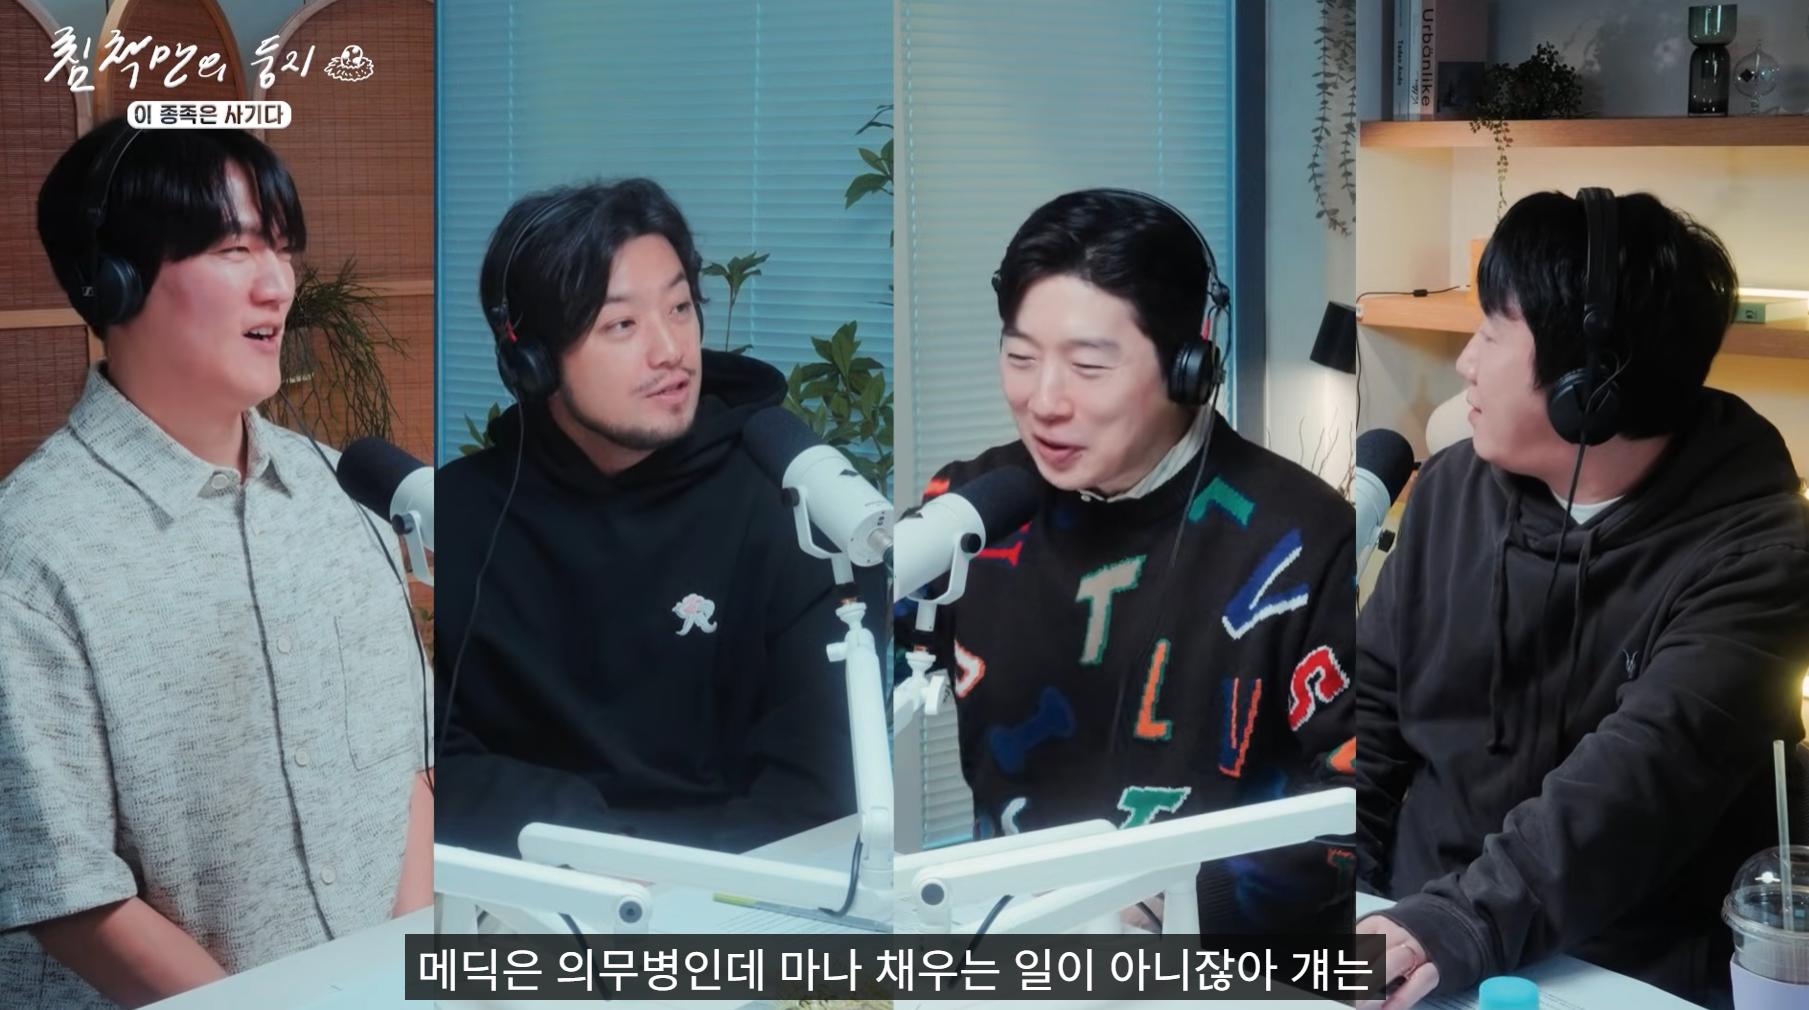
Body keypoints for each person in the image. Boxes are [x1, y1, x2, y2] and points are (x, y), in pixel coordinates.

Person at [0, 118, 432, 1009]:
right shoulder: (32, 555)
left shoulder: (341, 491)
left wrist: (401, 974)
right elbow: (69, 894)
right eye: (235, 250)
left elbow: (408, 767)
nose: (278, 285)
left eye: (282, 249)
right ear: (112, 279)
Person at [1355, 189, 1809, 1010]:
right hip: (1414, 933)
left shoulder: (1760, 558)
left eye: (1491, 333)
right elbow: (1369, 720)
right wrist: (1306, 883)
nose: (1465, 363)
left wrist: (1450, 925)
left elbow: (1637, 786)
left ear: (1587, 385)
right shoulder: (1449, 490)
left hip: (1624, 969)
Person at [916, 189, 1356, 932]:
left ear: (1189, 362)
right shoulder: (966, 511)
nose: (1044, 401)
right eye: (1020, 357)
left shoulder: (1304, 540)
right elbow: (843, 674)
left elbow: (1360, 802)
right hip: (1008, 948)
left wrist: (1168, 898)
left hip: (1217, 966)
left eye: (1089, 366)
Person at [434, 179, 856, 859]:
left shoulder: (794, 511)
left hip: (732, 897)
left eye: (681, 308)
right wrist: (585, 842)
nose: (670, 351)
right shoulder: (460, 513)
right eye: (622, 325)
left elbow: (813, 798)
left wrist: (653, 884)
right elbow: (429, 761)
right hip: (523, 888)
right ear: (531, 360)